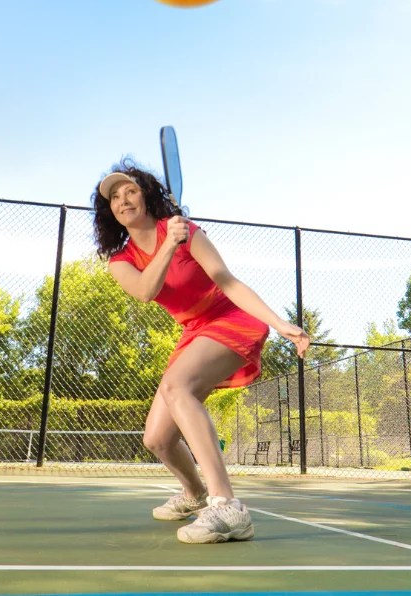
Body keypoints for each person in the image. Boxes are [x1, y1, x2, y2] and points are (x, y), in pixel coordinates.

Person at [92, 162, 309, 544]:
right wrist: (168, 246)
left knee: (178, 388)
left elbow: (227, 281)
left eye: (130, 190)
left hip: (230, 318)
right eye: (114, 196)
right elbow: (145, 290)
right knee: (157, 439)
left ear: (146, 195)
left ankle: (228, 507)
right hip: (193, 331)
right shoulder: (120, 261)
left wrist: (280, 323)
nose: (123, 200)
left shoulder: (186, 231)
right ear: (109, 210)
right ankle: (194, 493)